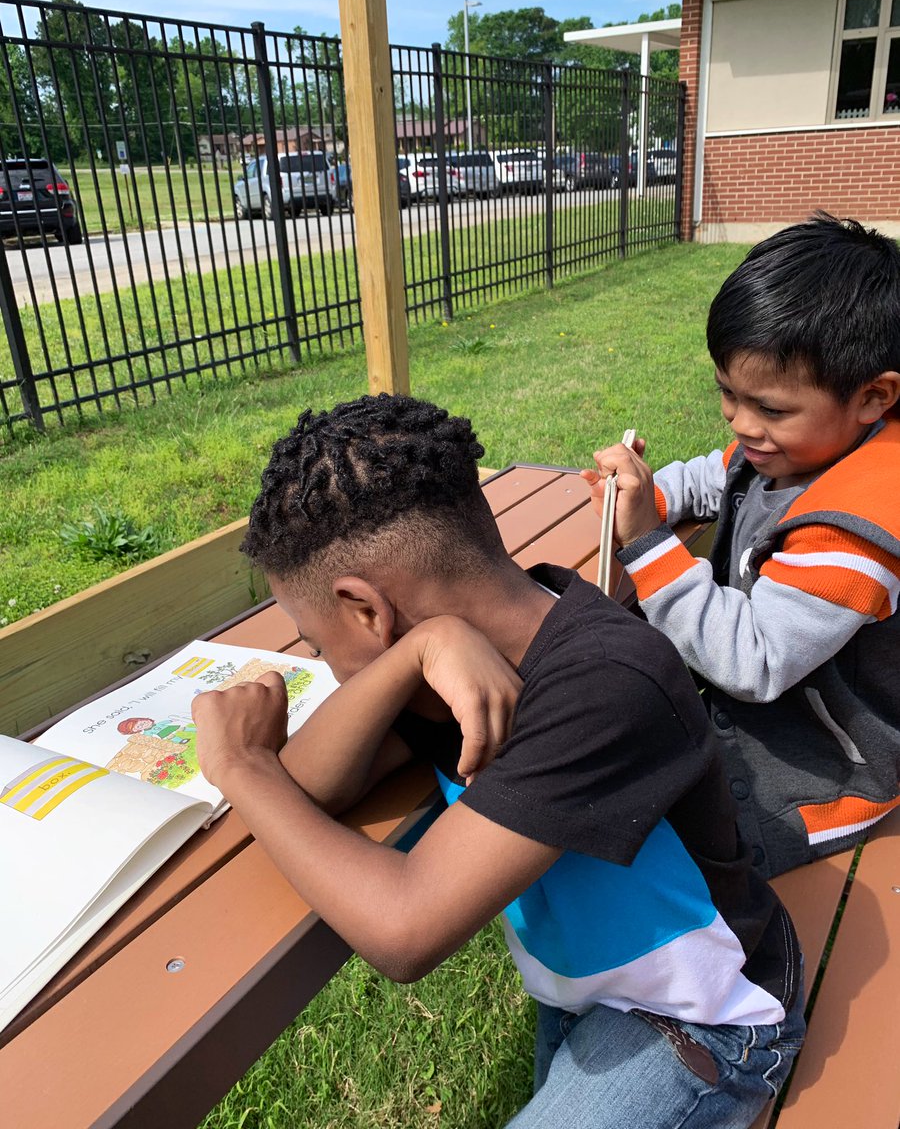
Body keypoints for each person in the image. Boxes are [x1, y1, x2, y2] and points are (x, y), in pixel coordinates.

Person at [192, 393, 804, 1128]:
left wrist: (238, 766)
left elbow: (404, 930)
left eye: (321, 647)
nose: (327, 667)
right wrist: (415, 651)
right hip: (592, 994)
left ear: (366, 610)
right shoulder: (457, 662)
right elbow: (314, 787)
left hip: (711, 1018)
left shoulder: (608, 682)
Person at [583, 213, 900, 880]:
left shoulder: (857, 531)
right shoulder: (798, 446)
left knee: (633, 852)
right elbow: (715, 473)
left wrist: (644, 541)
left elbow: (752, 662)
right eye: (727, 393)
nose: (740, 422)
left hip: (814, 784)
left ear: (874, 397)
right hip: (762, 731)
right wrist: (654, 494)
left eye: (769, 408)